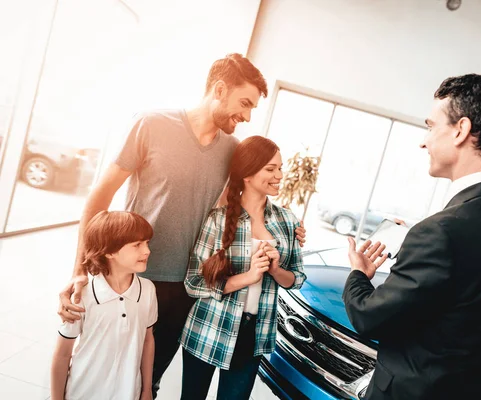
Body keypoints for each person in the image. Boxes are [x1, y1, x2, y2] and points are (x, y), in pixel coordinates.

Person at [56, 53, 306, 398]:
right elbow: (99, 198)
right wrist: (80, 270)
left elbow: (240, 208)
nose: (247, 116)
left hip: (184, 290)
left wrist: (287, 231)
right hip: (128, 278)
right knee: (98, 371)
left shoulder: (231, 150)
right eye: (244, 103)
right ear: (219, 89)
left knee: (148, 382)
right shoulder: (151, 124)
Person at [343, 74, 481, 399]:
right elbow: (474, 283)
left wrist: (358, 273)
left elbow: (370, 318)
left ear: (461, 130)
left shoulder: (441, 231)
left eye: (430, 126)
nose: (423, 141)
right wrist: (423, 246)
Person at [179, 135, 306, 400]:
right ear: (247, 174)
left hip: (254, 335)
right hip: (209, 327)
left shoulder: (287, 220)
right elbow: (193, 282)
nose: (279, 175)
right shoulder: (219, 219)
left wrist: (274, 270)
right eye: (270, 169)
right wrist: (248, 276)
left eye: (280, 168)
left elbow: (296, 278)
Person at [50, 211, 157, 400]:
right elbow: (63, 355)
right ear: (109, 251)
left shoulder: (148, 290)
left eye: (147, 243)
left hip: (128, 393)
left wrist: (147, 389)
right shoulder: (81, 295)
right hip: (83, 392)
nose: (147, 251)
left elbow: (148, 341)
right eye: (137, 245)